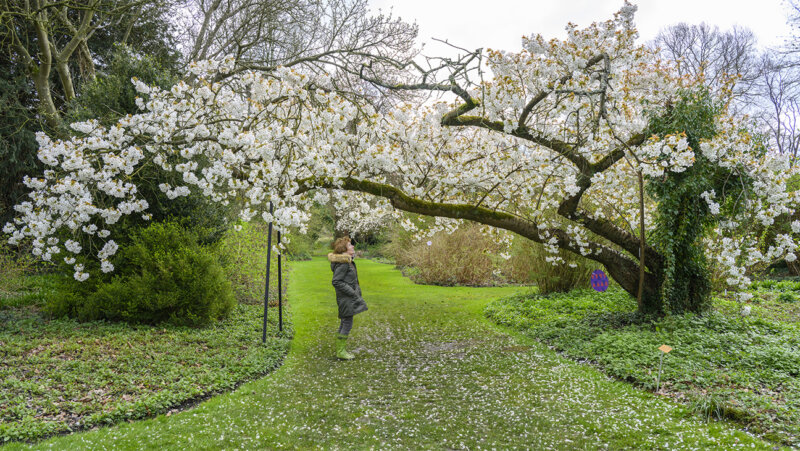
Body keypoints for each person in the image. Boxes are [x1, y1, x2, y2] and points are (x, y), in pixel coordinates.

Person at [328, 236, 368, 360]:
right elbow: (336, 281)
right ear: (344, 249)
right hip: (346, 298)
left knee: (345, 321)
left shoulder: (347, 261)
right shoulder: (344, 263)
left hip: (347, 298)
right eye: (350, 245)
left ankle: (340, 349)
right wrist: (352, 292)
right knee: (347, 322)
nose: (353, 246)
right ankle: (340, 351)